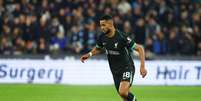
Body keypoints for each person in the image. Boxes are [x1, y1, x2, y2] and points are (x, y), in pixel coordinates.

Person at [80, 15, 147, 101]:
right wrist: (89, 54)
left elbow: (140, 48)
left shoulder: (121, 37)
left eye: (104, 25)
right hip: (115, 71)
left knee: (122, 91)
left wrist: (142, 67)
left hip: (127, 67)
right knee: (125, 97)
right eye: (101, 25)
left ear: (110, 24)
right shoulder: (102, 37)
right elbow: (98, 48)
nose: (102, 28)